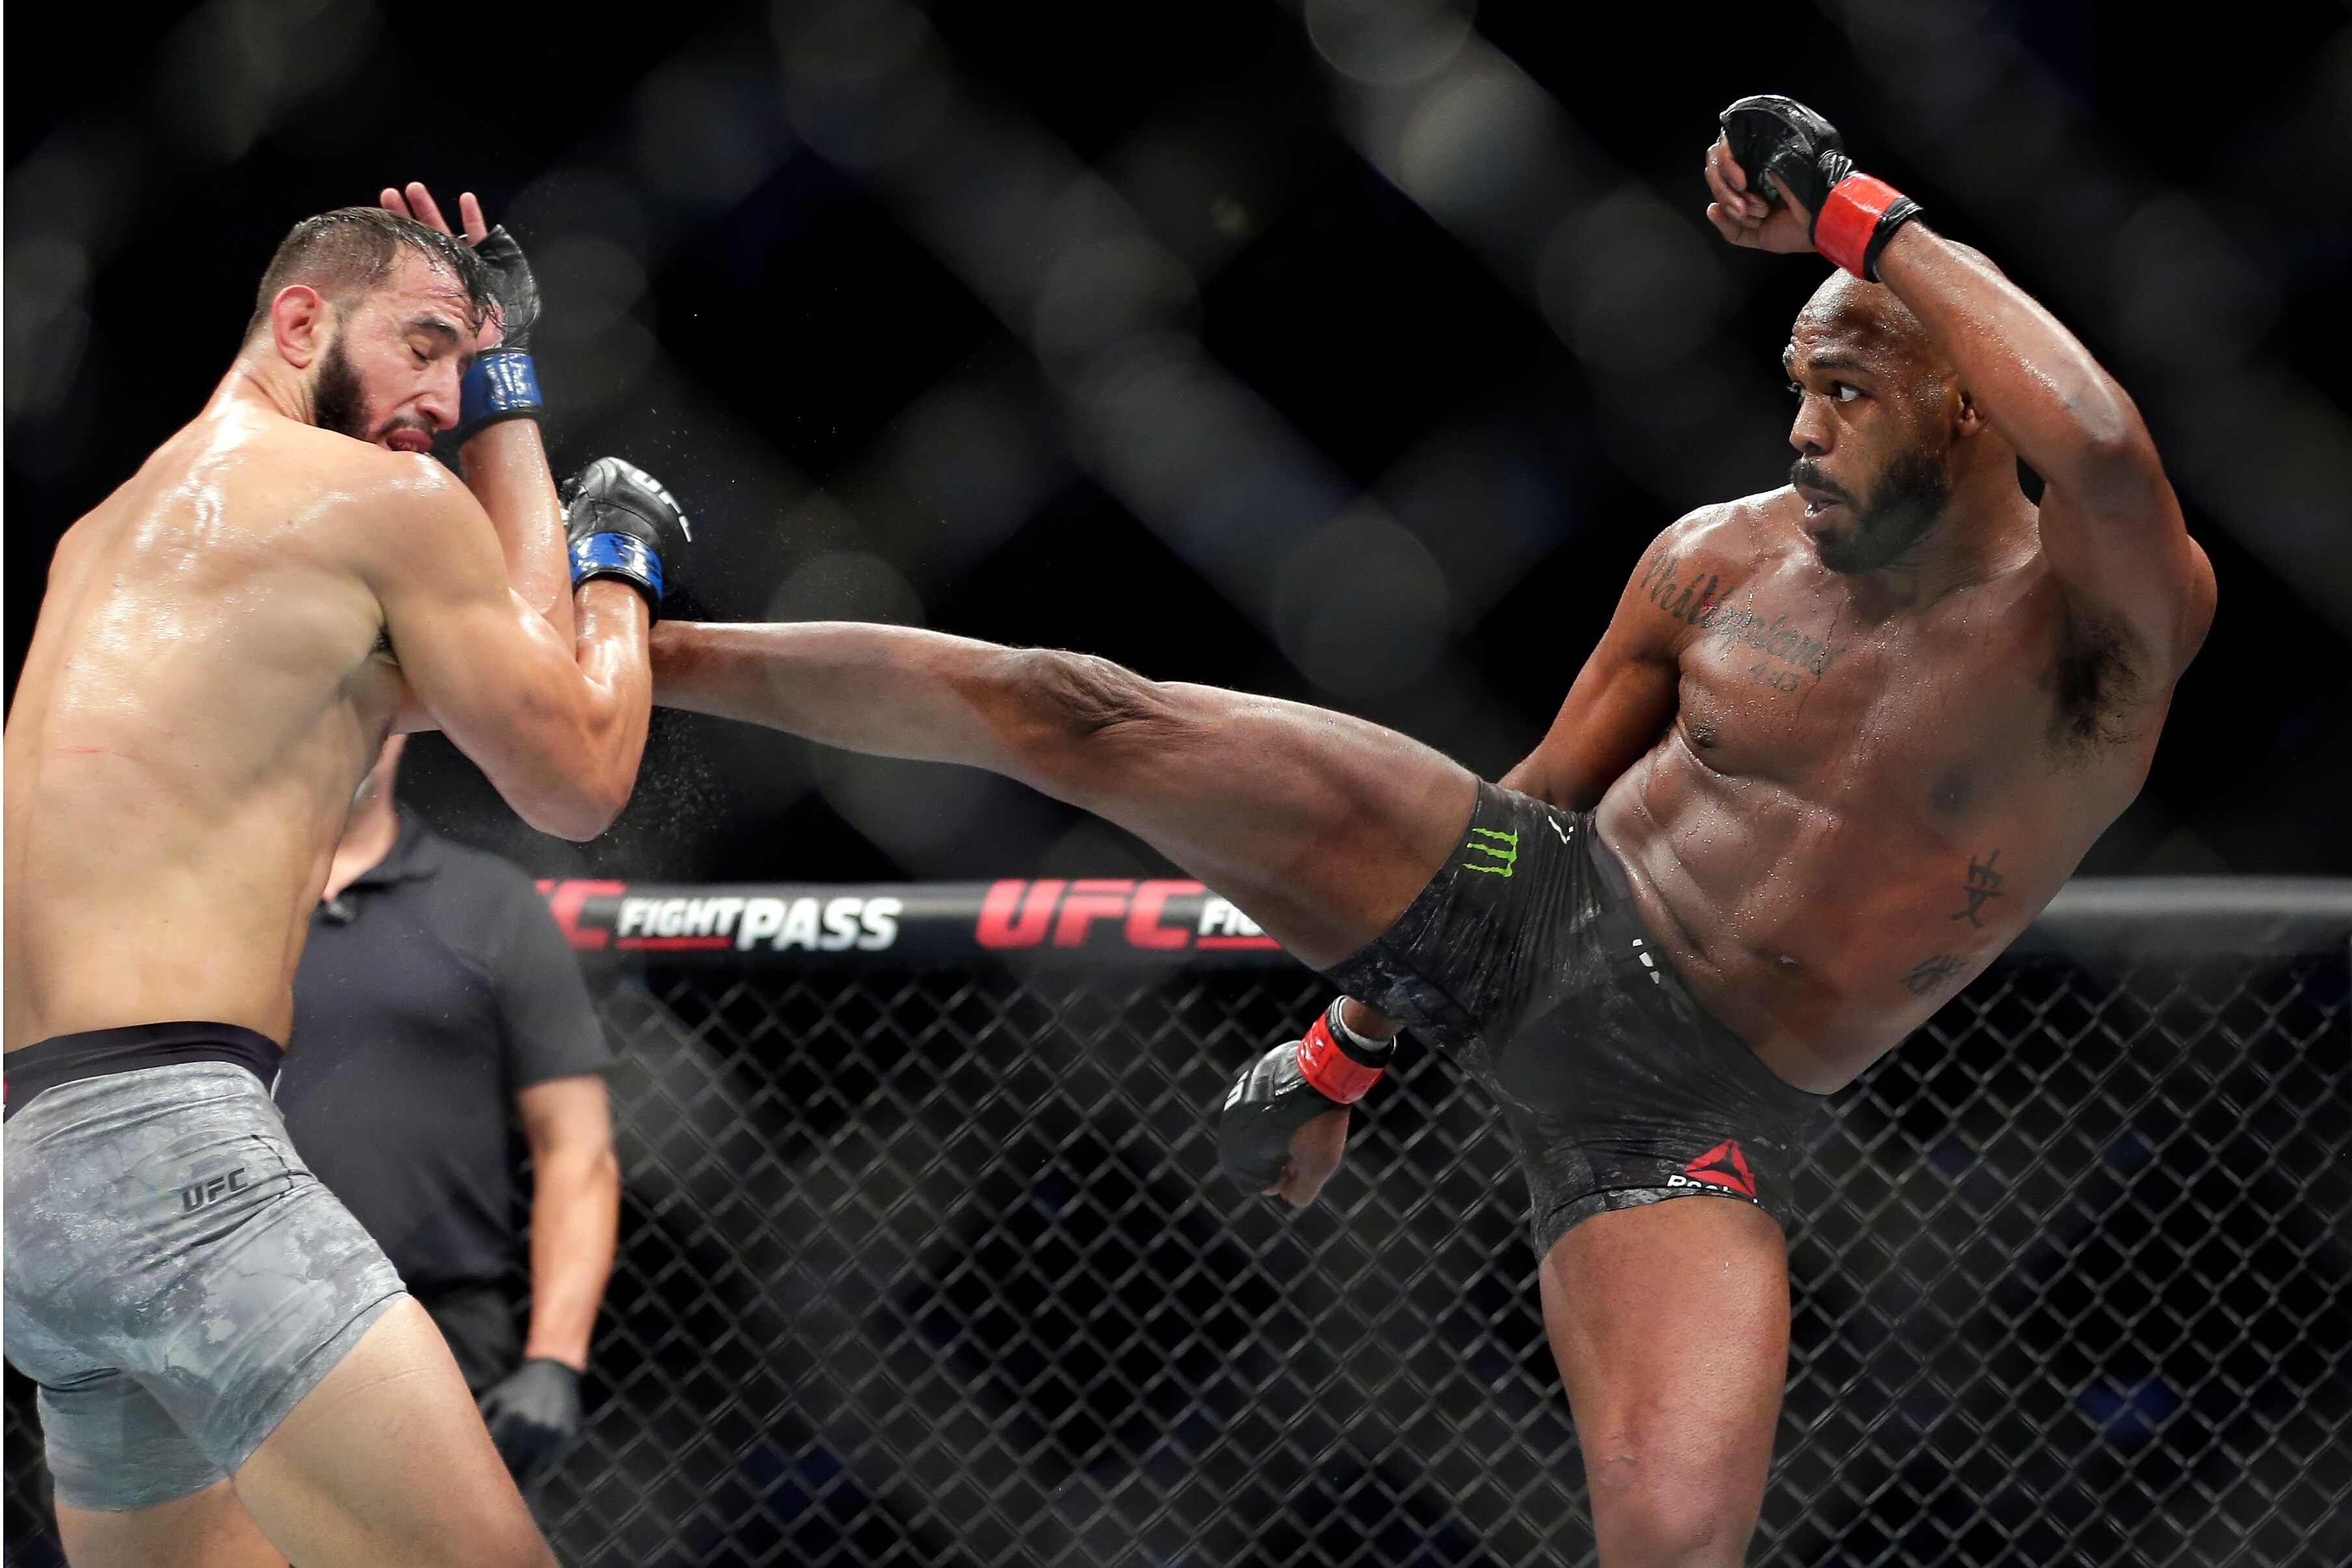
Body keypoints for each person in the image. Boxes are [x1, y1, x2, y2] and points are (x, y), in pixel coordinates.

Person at [642, 98, 2213, 1567]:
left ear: (1964, 401)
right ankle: (644, 656)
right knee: (1089, 710)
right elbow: (1546, 790)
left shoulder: (2087, 635)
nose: (1799, 429)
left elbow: (2095, 440)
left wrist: (1853, 213)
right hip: (1533, 898)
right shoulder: (1716, 558)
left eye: (1846, 391)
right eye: (1792, 384)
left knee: (1674, 1542)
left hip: (1686, 1104)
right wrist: (1343, 1050)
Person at [3, 179, 686, 1568]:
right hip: (180, 1166)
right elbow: (573, 772)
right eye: (423, 345)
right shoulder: (378, 501)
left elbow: (476, 676)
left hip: (29, 1187)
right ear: (301, 320)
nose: (440, 397)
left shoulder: (106, 538)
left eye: (461, 368)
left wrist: (485, 363)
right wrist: (615, 561)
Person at [278, 734, 619, 1499]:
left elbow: (576, 1145)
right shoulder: (217, 902)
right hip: (232, 1325)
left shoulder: (489, 900)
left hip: (442, 1332)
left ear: (405, 722)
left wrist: (555, 1357)